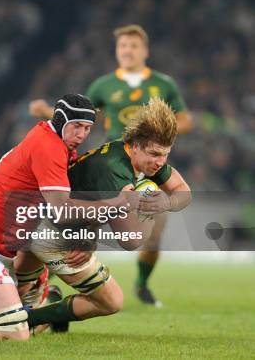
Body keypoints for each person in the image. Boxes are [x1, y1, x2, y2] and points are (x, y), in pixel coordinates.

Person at [0, 98, 191, 340]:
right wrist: (148, 208)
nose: (160, 163)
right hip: (49, 232)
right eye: (154, 154)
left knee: (14, 293)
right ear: (136, 145)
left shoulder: (136, 159)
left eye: (165, 156)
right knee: (110, 300)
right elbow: (132, 240)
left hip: (37, 227)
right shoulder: (114, 168)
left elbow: (183, 192)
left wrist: (161, 200)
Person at [29, 24, 193, 306]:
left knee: (150, 228)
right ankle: (48, 280)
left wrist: (158, 138)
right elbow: (85, 114)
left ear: (145, 51)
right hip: (116, 163)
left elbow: (187, 121)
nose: (127, 51)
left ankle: (141, 283)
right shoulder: (104, 85)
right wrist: (49, 113)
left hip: (145, 163)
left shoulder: (163, 84)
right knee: (97, 219)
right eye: (122, 46)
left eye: (133, 46)